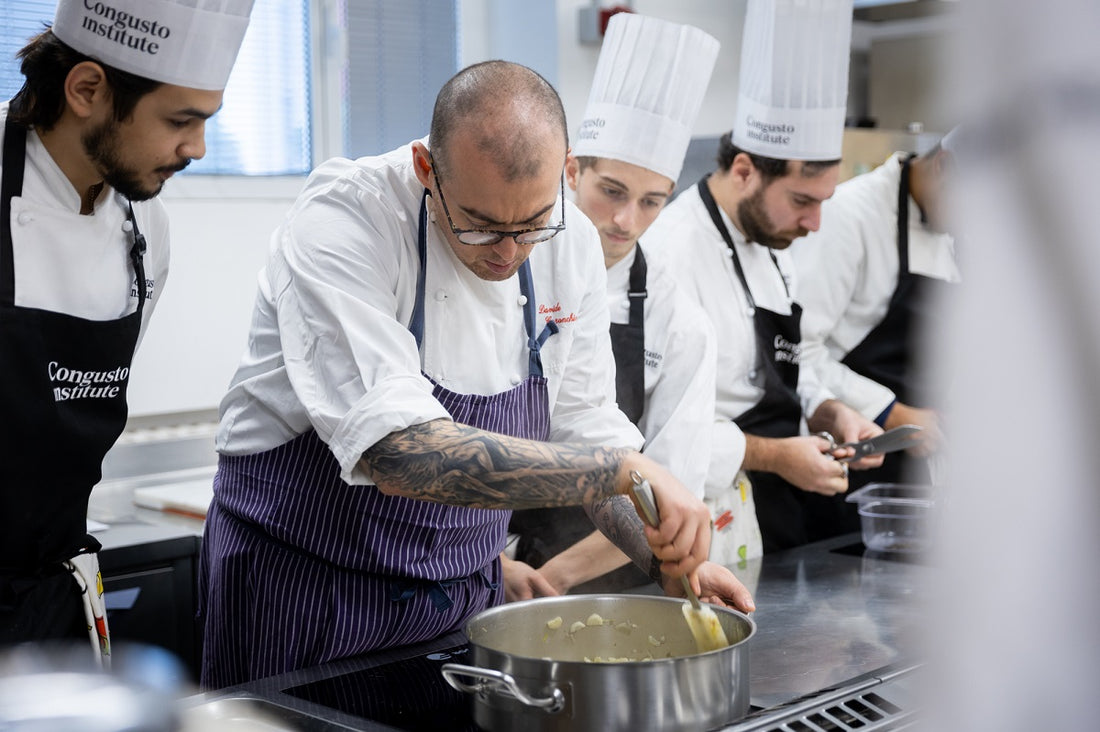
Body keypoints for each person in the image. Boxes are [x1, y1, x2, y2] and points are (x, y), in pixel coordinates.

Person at [198, 60, 754, 690]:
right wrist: (619, 468)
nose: (509, 251)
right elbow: (400, 455)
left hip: (462, 604)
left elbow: (586, 428)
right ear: (425, 169)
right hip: (304, 595)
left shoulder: (568, 241)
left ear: (566, 172)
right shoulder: (346, 221)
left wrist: (663, 559)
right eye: (480, 225)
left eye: (532, 224)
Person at [0, 0, 253, 660]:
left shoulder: (144, 231)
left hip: (52, 594)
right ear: (87, 90)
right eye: (180, 120)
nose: (196, 148)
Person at [646, 0, 884, 556]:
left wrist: (827, 410)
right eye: (802, 201)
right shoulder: (671, 253)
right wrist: (778, 455)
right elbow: (655, 433)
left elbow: (786, 370)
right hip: (701, 524)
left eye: (822, 202)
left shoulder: (776, 243)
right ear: (745, 170)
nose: (815, 223)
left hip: (776, 512)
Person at [504, 14, 723, 597]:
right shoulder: (502, 263)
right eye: (613, 192)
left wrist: (555, 576)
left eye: (652, 203)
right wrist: (488, 566)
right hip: (479, 558)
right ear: (572, 171)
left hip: (615, 578)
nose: (627, 221)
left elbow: (668, 487)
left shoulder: (681, 323)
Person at [791, 133, 960, 486]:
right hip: (849, 461)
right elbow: (797, 352)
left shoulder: (959, 233)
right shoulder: (849, 215)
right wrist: (892, 412)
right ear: (945, 165)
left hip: (924, 466)